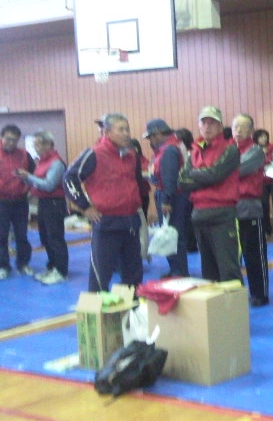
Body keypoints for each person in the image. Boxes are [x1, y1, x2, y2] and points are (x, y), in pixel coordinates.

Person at [63, 114, 145, 292]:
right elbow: (69, 178)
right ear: (107, 132)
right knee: (101, 275)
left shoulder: (131, 154)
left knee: (134, 275)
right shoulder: (94, 153)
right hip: (107, 223)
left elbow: (138, 182)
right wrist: (85, 206)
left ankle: (132, 306)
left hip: (131, 222)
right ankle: (98, 307)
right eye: (121, 129)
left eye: (127, 129)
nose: (126, 133)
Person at [178, 106, 242, 283]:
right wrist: (206, 176)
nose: (207, 126)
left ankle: (234, 302)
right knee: (208, 272)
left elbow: (215, 175)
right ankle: (215, 302)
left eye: (212, 123)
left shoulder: (230, 150)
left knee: (229, 270)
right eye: (204, 122)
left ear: (220, 127)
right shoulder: (194, 151)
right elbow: (181, 181)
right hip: (199, 215)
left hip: (222, 215)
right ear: (198, 125)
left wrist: (195, 174)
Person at [17, 131, 68, 284]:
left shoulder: (56, 163)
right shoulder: (41, 162)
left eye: (38, 144)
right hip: (44, 202)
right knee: (45, 238)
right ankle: (52, 267)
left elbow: (49, 185)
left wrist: (29, 176)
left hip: (54, 203)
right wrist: (25, 180)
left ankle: (61, 271)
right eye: (34, 144)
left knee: (55, 238)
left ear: (48, 145)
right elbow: (37, 183)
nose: (35, 147)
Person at [143, 118, 191, 278]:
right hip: (170, 195)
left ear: (157, 134)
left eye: (150, 137)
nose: (150, 141)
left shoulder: (169, 150)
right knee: (171, 233)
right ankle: (176, 269)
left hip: (172, 197)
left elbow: (170, 177)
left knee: (173, 234)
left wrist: (166, 200)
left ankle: (179, 271)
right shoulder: (169, 147)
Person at [233, 114, 269, 307]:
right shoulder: (229, 150)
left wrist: (218, 170)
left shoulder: (255, 151)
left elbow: (234, 171)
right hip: (230, 208)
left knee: (253, 254)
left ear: (251, 130)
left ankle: (259, 293)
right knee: (232, 255)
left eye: (242, 127)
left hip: (249, 207)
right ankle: (235, 292)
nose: (238, 130)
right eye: (235, 127)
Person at [0, 124, 35, 280]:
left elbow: (34, 174)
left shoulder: (24, 155)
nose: (11, 143)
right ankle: (3, 266)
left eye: (14, 140)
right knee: (1, 236)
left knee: (22, 235)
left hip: (20, 201)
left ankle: (23, 264)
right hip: (1, 202)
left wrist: (30, 189)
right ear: (2, 137)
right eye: (8, 139)